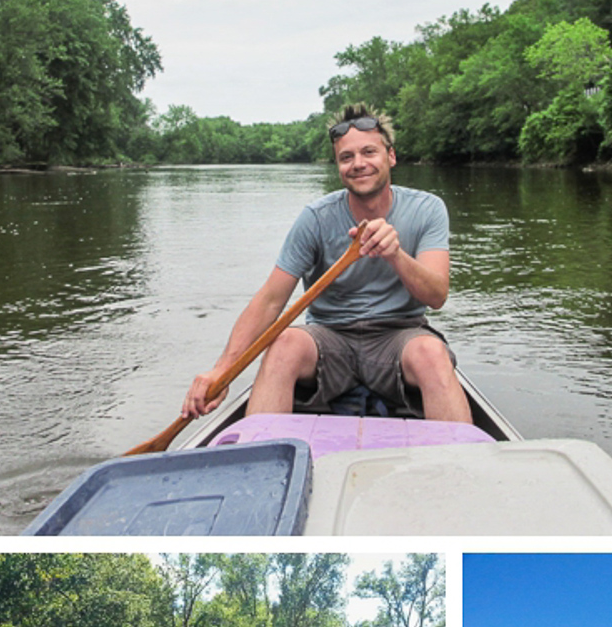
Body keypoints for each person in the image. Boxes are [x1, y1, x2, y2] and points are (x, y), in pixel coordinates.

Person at [181, 104, 468, 425]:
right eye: (346, 157)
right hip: (330, 337)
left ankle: (460, 466)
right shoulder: (315, 218)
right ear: (338, 165)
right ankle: (261, 458)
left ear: (391, 157)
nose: (358, 164)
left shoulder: (428, 209)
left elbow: (436, 295)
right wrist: (222, 370)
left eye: (369, 152)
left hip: (400, 336)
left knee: (432, 354)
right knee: (284, 345)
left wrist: (395, 254)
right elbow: (271, 299)